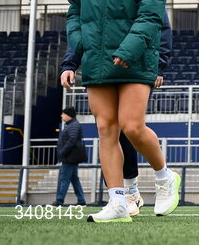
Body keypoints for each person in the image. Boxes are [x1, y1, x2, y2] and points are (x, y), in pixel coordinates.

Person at [60, 0, 179, 223]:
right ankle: (117, 201)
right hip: (97, 60)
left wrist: (127, 50)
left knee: (131, 126)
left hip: (135, 58)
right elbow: (75, 14)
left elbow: (152, 13)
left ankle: (165, 177)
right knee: (105, 129)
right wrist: (72, 57)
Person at [62, 12, 173, 216]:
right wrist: (70, 62)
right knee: (108, 130)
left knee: (130, 128)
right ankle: (121, 196)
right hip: (100, 65)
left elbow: (159, 25)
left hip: (133, 64)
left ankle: (153, 181)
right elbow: (83, 24)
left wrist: (159, 65)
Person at [54, 106, 87, 207]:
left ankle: (59, 201)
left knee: (64, 179)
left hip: (69, 157)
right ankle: (81, 201)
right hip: (71, 157)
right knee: (74, 179)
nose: (62, 115)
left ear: (69, 115)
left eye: (64, 114)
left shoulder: (73, 125)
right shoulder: (73, 125)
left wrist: (62, 152)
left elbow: (72, 140)